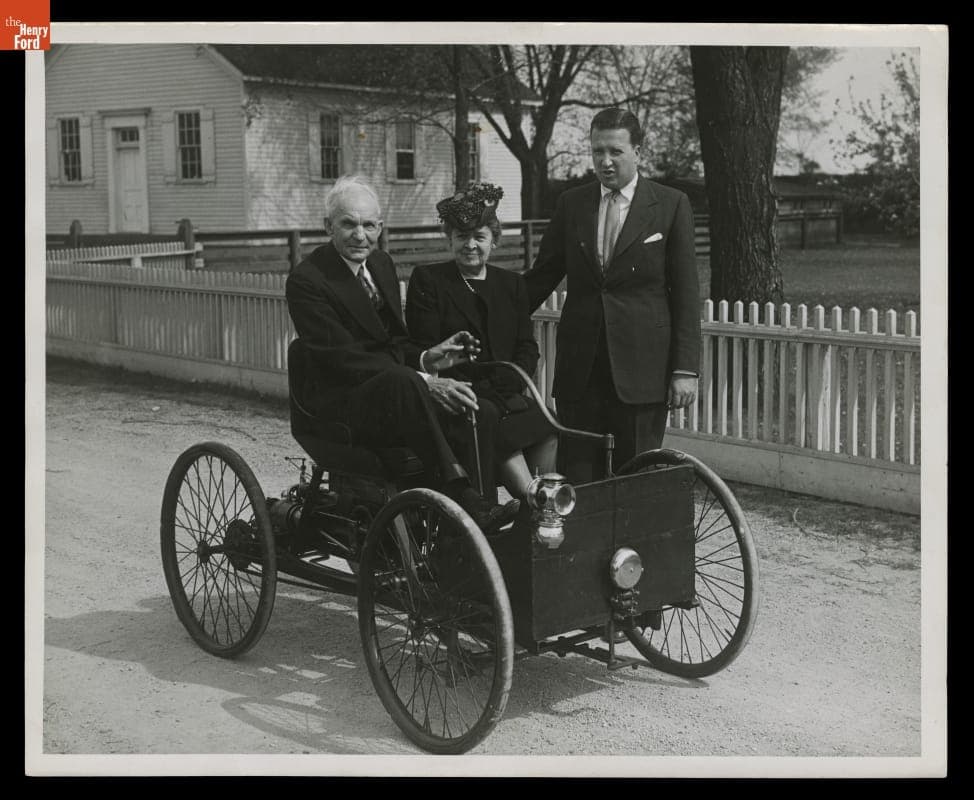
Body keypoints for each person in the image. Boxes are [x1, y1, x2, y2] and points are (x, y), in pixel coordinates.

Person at [285, 174, 519, 532]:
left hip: (392, 392)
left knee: (479, 408)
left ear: (380, 227)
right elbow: (342, 358)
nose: (359, 235)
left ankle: (478, 522)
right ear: (327, 226)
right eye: (347, 224)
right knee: (403, 381)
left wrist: (428, 358)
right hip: (340, 403)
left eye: (368, 225)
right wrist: (423, 380)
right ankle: (462, 496)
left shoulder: (381, 265)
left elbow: (393, 342)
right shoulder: (308, 280)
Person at [524, 108, 701, 482]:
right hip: (581, 370)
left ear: (638, 151)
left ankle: (634, 544)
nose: (605, 162)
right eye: (597, 151)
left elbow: (686, 293)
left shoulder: (670, 205)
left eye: (615, 152)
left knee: (637, 475)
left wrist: (685, 369)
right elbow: (541, 277)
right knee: (579, 476)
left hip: (642, 371)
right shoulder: (572, 204)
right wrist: (486, 307)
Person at [405, 183, 558, 504]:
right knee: (489, 418)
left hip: (506, 393)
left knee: (547, 421)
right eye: (462, 237)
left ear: (495, 241)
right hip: (458, 397)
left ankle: (544, 495)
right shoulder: (430, 281)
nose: (470, 245)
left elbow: (527, 347)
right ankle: (534, 504)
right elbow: (426, 345)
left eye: (480, 237)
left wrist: (514, 379)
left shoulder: (511, 284)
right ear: (449, 239)